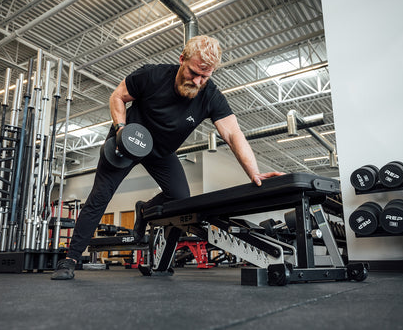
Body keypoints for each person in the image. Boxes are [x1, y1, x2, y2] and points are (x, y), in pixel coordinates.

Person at [51, 35, 283, 280]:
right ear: (182, 59)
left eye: (205, 76)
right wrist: (120, 129)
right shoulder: (152, 76)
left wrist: (253, 173)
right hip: (130, 140)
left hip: (161, 151)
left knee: (180, 198)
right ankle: (71, 259)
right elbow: (117, 96)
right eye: (193, 72)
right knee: (99, 197)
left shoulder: (211, 96)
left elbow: (233, 133)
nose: (197, 81)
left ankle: (144, 212)